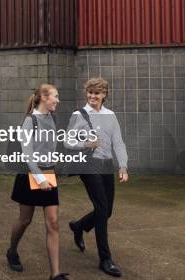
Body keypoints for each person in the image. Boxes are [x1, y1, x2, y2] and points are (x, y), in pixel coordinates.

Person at [65, 77, 129, 278]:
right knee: (101, 209)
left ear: (104, 95)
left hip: (106, 165)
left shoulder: (111, 115)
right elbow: (67, 141)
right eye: (90, 93)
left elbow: (118, 142)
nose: (93, 96)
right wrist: (85, 145)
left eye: (97, 93)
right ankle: (105, 259)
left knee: (107, 210)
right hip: (88, 164)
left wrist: (123, 166)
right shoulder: (79, 115)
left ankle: (79, 226)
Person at [6, 84, 69, 280]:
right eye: (55, 97)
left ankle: (55, 274)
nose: (57, 100)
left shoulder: (53, 118)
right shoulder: (30, 121)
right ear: (43, 97)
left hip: (48, 173)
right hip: (30, 175)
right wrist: (39, 179)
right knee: (25, 220)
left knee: (53, 222)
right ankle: (12, 251)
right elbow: (28, 155)